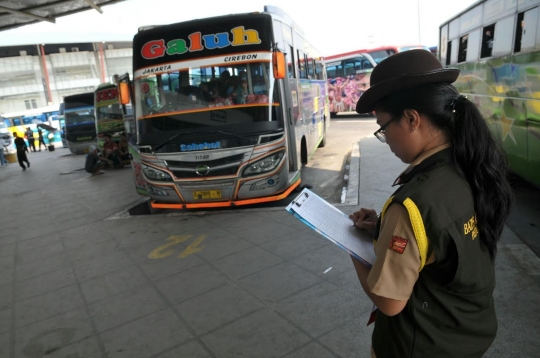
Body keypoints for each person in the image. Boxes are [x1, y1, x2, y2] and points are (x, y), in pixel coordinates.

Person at [348, 50, 513, 357]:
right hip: (465, 334)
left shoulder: (412, 205)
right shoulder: (472, 163)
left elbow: (389, 302)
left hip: (418, 345)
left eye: (384, 128)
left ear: (411, 119)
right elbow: (442, 242)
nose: (385, 139)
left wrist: (353, 247)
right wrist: (383, 228)